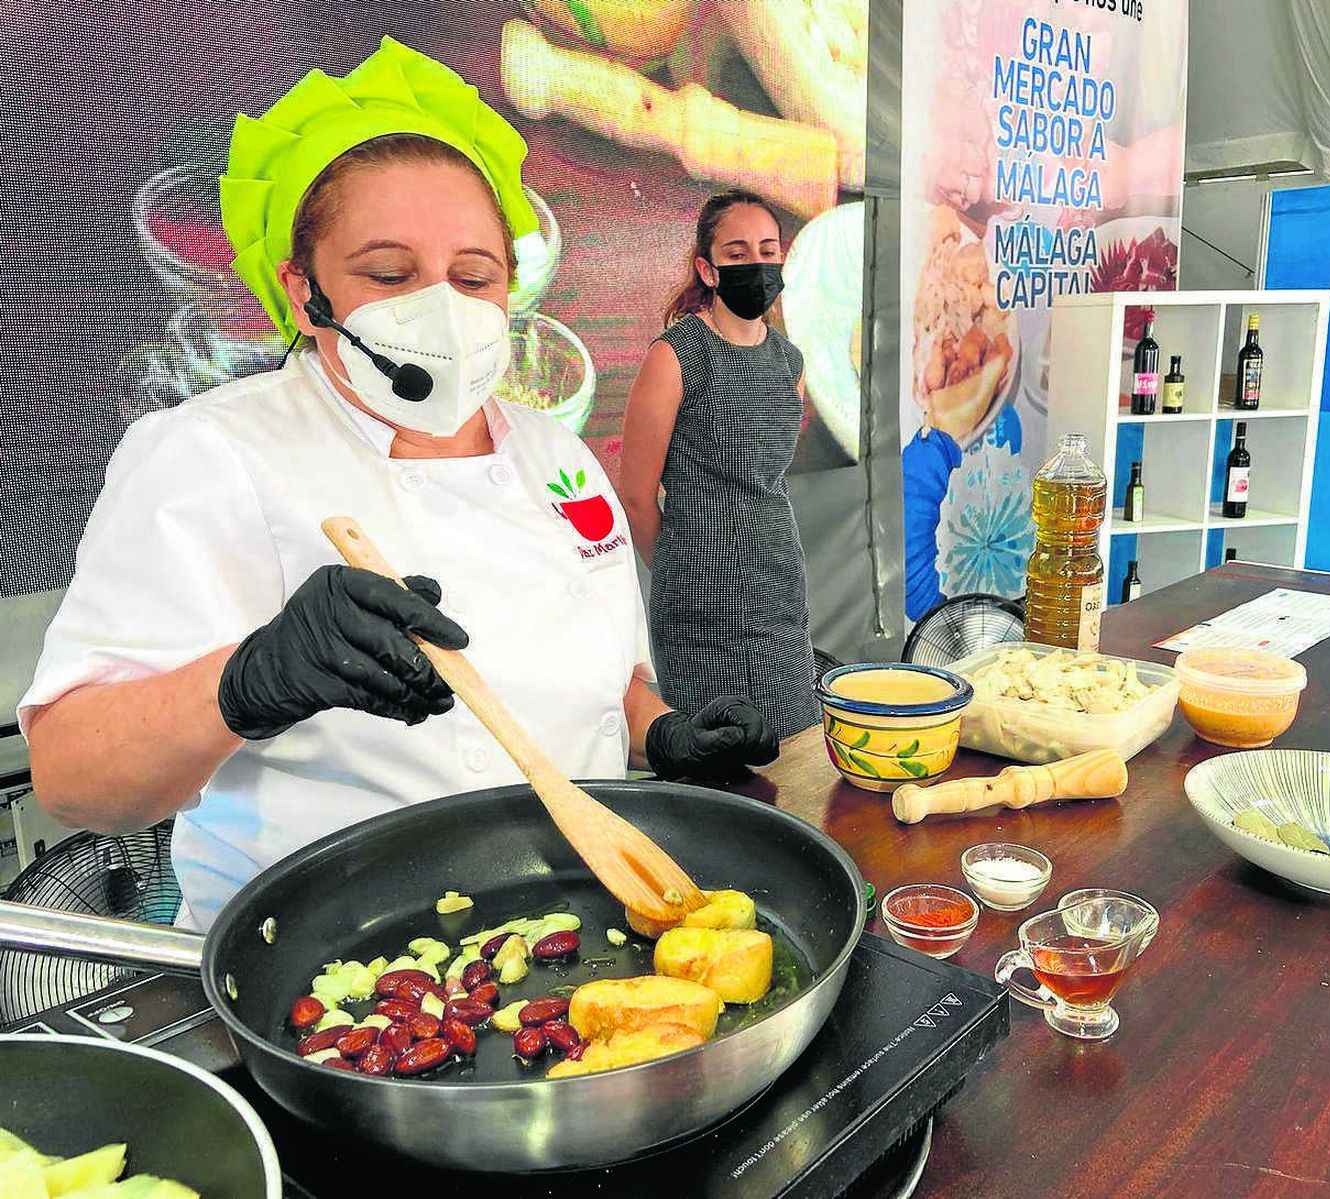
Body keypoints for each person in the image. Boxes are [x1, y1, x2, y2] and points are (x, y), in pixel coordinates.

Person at [18, 40, 776, 931]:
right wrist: (253, 678)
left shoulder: (554, 458)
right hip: (322, 972)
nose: (442, 306)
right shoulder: (211, 452)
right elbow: (71, 780)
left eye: (473, 275)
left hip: (575, 937)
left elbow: (602, 682)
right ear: (304, 295)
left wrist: (661, 732)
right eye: (389, 274)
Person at [619, 191, 822, 742]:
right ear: (707, 269)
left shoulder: (789, 361)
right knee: (718, 748)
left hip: (779, 575)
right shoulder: (677, 354)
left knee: (794, 742)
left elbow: (768, 479)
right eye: (737, 254)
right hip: (696, 593)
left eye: (767, 250)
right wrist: (682, 570)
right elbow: (635, 495)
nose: (755, 264)